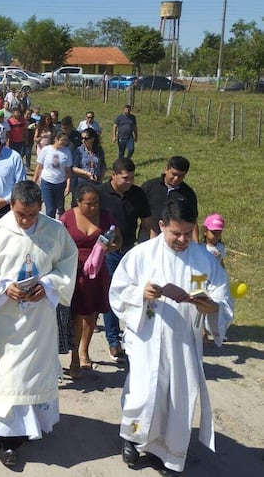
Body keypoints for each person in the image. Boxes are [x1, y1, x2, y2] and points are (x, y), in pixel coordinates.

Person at [109, 199, 233, 476]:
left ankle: (168, 452)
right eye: (175, 233)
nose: (181, 239)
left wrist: (211, 307)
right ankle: (132, 436)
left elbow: (221, 298)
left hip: (184, 342)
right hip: (147, 339)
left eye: (187, 233)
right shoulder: (142, 254)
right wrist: (140, 293)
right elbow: (118, 290)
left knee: (178, 397)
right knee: (144, 394)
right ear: (162, 225)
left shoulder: (203, 260)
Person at [0, 180, 78, 468]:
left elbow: (67, 264)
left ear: (40, 207)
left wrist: (47, 283)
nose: (26, 220)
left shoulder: (55, 231)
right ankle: (7, 440)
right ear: (11, 205)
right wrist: (1, 286)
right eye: (21, 214)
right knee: (8, 376)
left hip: (39, 320)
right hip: (6, 322)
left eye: (32, 214)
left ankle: (32, 427)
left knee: (34, 374)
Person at [59, 185, 122, 377]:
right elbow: (57, 243)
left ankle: (85, 349)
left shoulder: (106, 217)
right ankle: (75, 357)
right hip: (74, 271)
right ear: (78, 202)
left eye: (96, 203)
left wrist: (109, 249)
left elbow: (118, 239)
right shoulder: (67, 218)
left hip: (96, 272)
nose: (93, 207)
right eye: (89, 203)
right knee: (77, 315)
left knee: (91, 315)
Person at [98, 157, 156, 361]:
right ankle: (113, 340)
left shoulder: (137, 194)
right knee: (113, 293)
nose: (129, 181)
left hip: (131, 252)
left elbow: (148, 223)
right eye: (125, 178)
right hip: (108, 252)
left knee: (134, 295)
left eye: (132, 177)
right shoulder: (100, 193)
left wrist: (151, 249)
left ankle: (131, 336)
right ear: (113, 175)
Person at [140, 156, 199, 242]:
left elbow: (193, 221)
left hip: (175, 241)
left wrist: (195, 244)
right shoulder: (149, 187)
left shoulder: (188, 194)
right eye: (174, 174)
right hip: (147, 239)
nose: (176, 179)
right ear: (166, 169)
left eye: (181, 176)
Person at [33, 133, 72, 219]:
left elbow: (68, 171)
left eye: (66, 140)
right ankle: (48, 227)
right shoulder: (46, 150)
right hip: (47, 182)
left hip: (60, 183)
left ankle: (53, 226)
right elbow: (39, 167)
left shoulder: (67, 152)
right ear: (56, 139)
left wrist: (68, 186)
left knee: (57, 207)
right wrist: (34, 182)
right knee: (50, 209)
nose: (64, 142)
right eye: (62, 140)